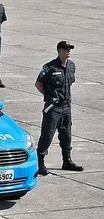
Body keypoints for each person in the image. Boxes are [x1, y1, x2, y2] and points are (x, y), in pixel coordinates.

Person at [35, 41, 84, 176]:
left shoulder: (72, 66)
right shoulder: (49, 67)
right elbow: (38, 83)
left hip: (67, 106)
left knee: (66, 135)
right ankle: (40, 163)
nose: (69, 51)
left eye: (70, 49)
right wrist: (49, 97)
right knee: (47, 135)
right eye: (66, 49)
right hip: (53, 108)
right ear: (59, 51)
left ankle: (67, 161)